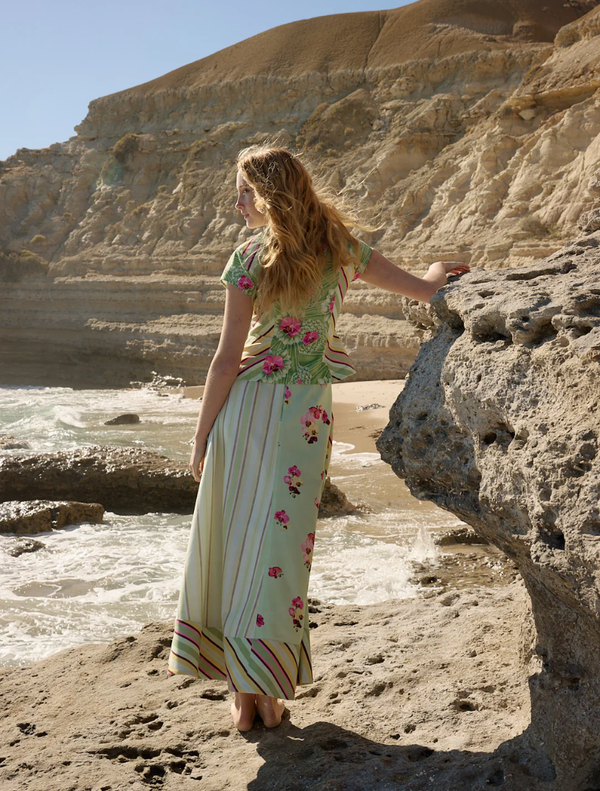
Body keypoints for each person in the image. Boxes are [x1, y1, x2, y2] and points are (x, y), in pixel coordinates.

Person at [167, 145, 469, 732]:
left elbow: (227, 360)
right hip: (303, 416)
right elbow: (425, 292)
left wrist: (201, 437)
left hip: (246, 408)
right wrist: (437, 275)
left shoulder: (247, 255)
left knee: (235, 542)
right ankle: (265, 688)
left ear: (267, 194)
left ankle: (246, 694)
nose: (237, 203)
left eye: (244, 192)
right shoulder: (342, 249)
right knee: (280, 553)